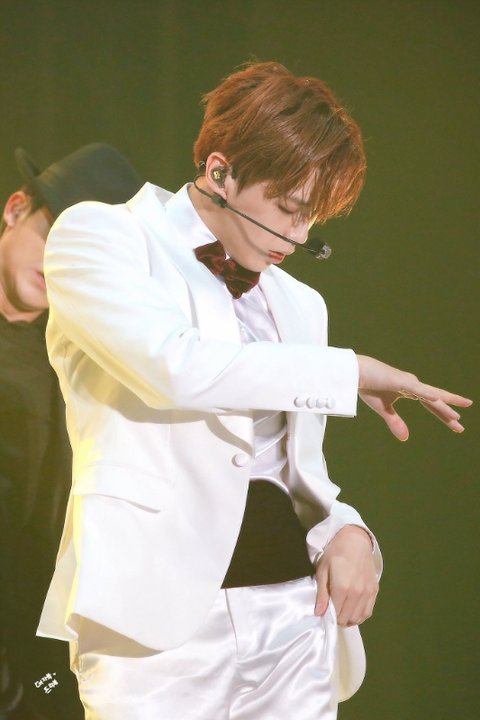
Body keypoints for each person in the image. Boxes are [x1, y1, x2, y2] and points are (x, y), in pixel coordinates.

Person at [37, 63, 471, 720]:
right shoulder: (101, 235)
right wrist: (347, 372)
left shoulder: (301, 303)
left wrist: (348, 531)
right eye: (290, 210)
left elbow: (296, 474)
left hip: (294, 619)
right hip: (153, 631)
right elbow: (173, 367)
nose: (299, 237)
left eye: (312, 217)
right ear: (220, 172)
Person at [0, 143, 143, 720]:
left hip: (29, 650)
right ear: (15, 209)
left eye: (79, 254)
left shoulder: (78, 366)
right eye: (51, 234)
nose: (56, 262)